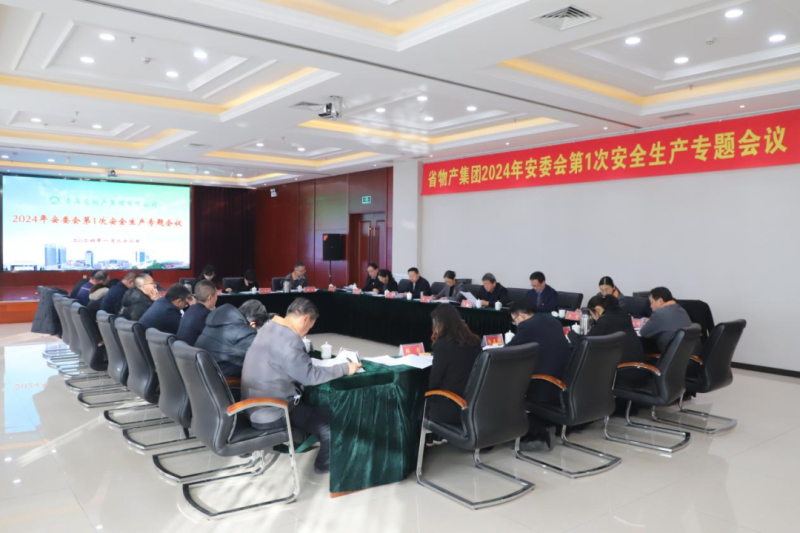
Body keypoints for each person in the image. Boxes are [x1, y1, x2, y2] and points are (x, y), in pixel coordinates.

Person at [241, 298, 361, 474]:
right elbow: (309, 377)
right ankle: (324, 465)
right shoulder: (290, 340)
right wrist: (344, 368)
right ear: (305, 319)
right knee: (334, 418)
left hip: (252, 406)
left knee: (313, 408)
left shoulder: (269, 327)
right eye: (310, 326)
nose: (307, 332)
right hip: (273, 411)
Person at [507, 299, 571, 451]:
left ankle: (515, 429)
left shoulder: (527, 326)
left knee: (506, 380)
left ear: (521, 316)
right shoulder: (553, 321)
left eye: (514, 320)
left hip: (544, 383)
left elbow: (508, 351)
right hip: (563, 379)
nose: (516, 324)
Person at [427, 305, 482, 428]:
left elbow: (434, 382)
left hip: (452, 405)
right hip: (474, 403)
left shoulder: (443, 344)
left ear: (439, 323)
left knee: (418, 402)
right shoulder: (474, 340)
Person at [196, 299, 268, 377]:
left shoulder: (219, 320)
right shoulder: (243, 332)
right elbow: (264, 355)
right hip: (222, 377)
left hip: (205, 371)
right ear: (253, 324)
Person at [640, 287, 692, 353]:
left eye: (652, 302)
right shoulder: (682, 310)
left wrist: (650, 322)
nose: (651, 306)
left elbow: (643, 333)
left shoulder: (659, 313)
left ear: (660, 301)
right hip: (687, 354)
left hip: (671, 355)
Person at [177, 280, 217, 345]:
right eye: (216, 295)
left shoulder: (190, 310)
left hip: (180, 349)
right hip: (193, 350)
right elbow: (216, 337)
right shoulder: (206, 315)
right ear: (210, 298)